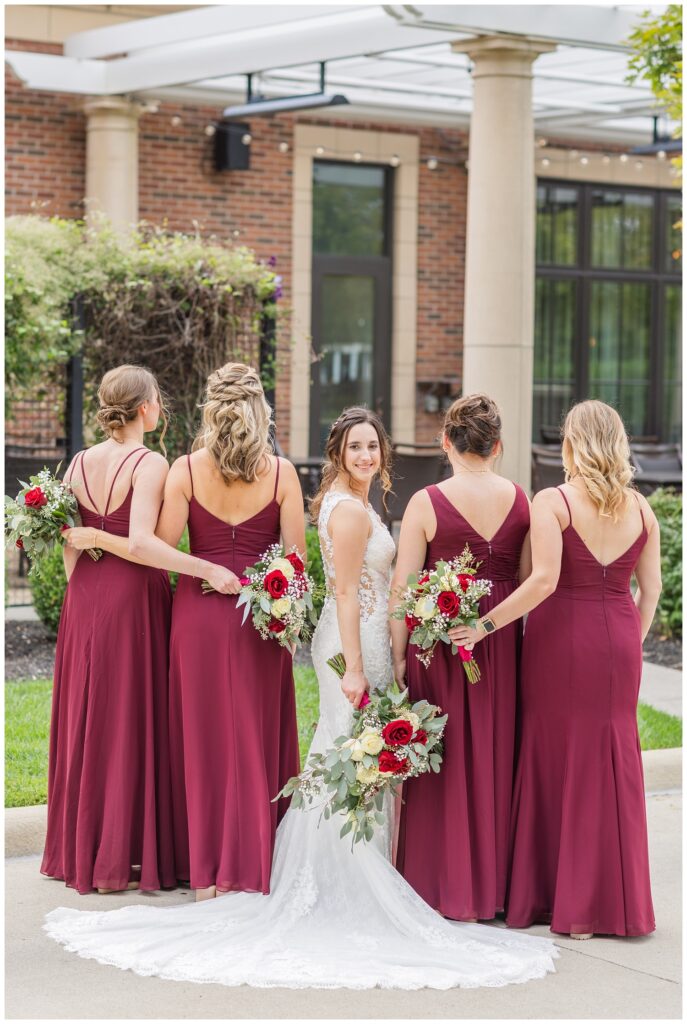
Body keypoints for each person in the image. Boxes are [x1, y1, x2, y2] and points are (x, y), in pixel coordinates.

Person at [44, 406, 558, 990]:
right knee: (353, 749)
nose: (366, 455)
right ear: (337, 453)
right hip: (349, 646)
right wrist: (358, 668)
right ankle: (348, 875)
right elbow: (342, 589)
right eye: (355, 447)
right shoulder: (348, 513)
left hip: (363, 640)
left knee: (359, 753)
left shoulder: (358, 504)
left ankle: (369, 865)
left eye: (373, 446)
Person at [450, 400, 661, 939]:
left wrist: (484, 626)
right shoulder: (642, 507)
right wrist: (628, 642)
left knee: (556, 757)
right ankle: (612, 906)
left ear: (571, 444)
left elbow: (542, 580)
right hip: (618, 637)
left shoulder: (555, 500)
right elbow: (651, 590)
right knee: (610, 760)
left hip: (561, 640)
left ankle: (565, 903)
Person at [391, 394, 531, 921]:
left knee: (442, 757)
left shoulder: (426, 501)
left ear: (445, 442)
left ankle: (439, 886)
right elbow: (527, 576)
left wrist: (401, 656)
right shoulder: (522, 499)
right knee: (496, 749)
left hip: (443, 640)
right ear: (498, 446)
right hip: (500, 637)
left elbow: (404, 590)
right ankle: (492, 889)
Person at [41, 365, 177, 894]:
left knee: (87, 713)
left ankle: (85, 848)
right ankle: (120, 854)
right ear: (144, 408)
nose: (161, 407)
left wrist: (84, 593)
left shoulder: (78, 461)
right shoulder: (150, 462)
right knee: (126, 718)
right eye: (158, 399)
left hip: (86, 594)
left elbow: (70, 545)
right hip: (132, 595)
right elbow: (142, 542)